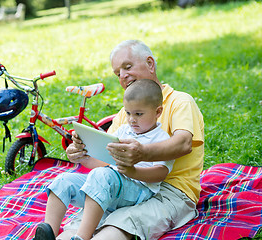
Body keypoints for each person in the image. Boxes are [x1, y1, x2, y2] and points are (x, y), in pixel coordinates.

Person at [61, 39, 204, 240]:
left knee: (119, 225)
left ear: (150, 64)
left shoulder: (180, 101)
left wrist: (142, 153)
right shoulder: (124, 115)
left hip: (171, 192)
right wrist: (83, 155)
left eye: (127, 67)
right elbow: (107, 161)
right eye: (117, 73)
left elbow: (183, 143)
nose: (123, 75)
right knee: (78, 227)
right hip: (126, 185)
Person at [34, 79, 175, 240]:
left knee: (101, 175)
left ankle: (82, 236)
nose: (132, 119)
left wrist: (133, 171)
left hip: (139, 190)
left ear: (158, 112)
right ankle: (48, 232)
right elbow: (105, 162)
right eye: (128, 113)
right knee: (64, 180)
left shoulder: (162, 139)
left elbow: (161, 173)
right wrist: (83, 157)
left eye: (139, 114)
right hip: (110, 185)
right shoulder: (123, 131)